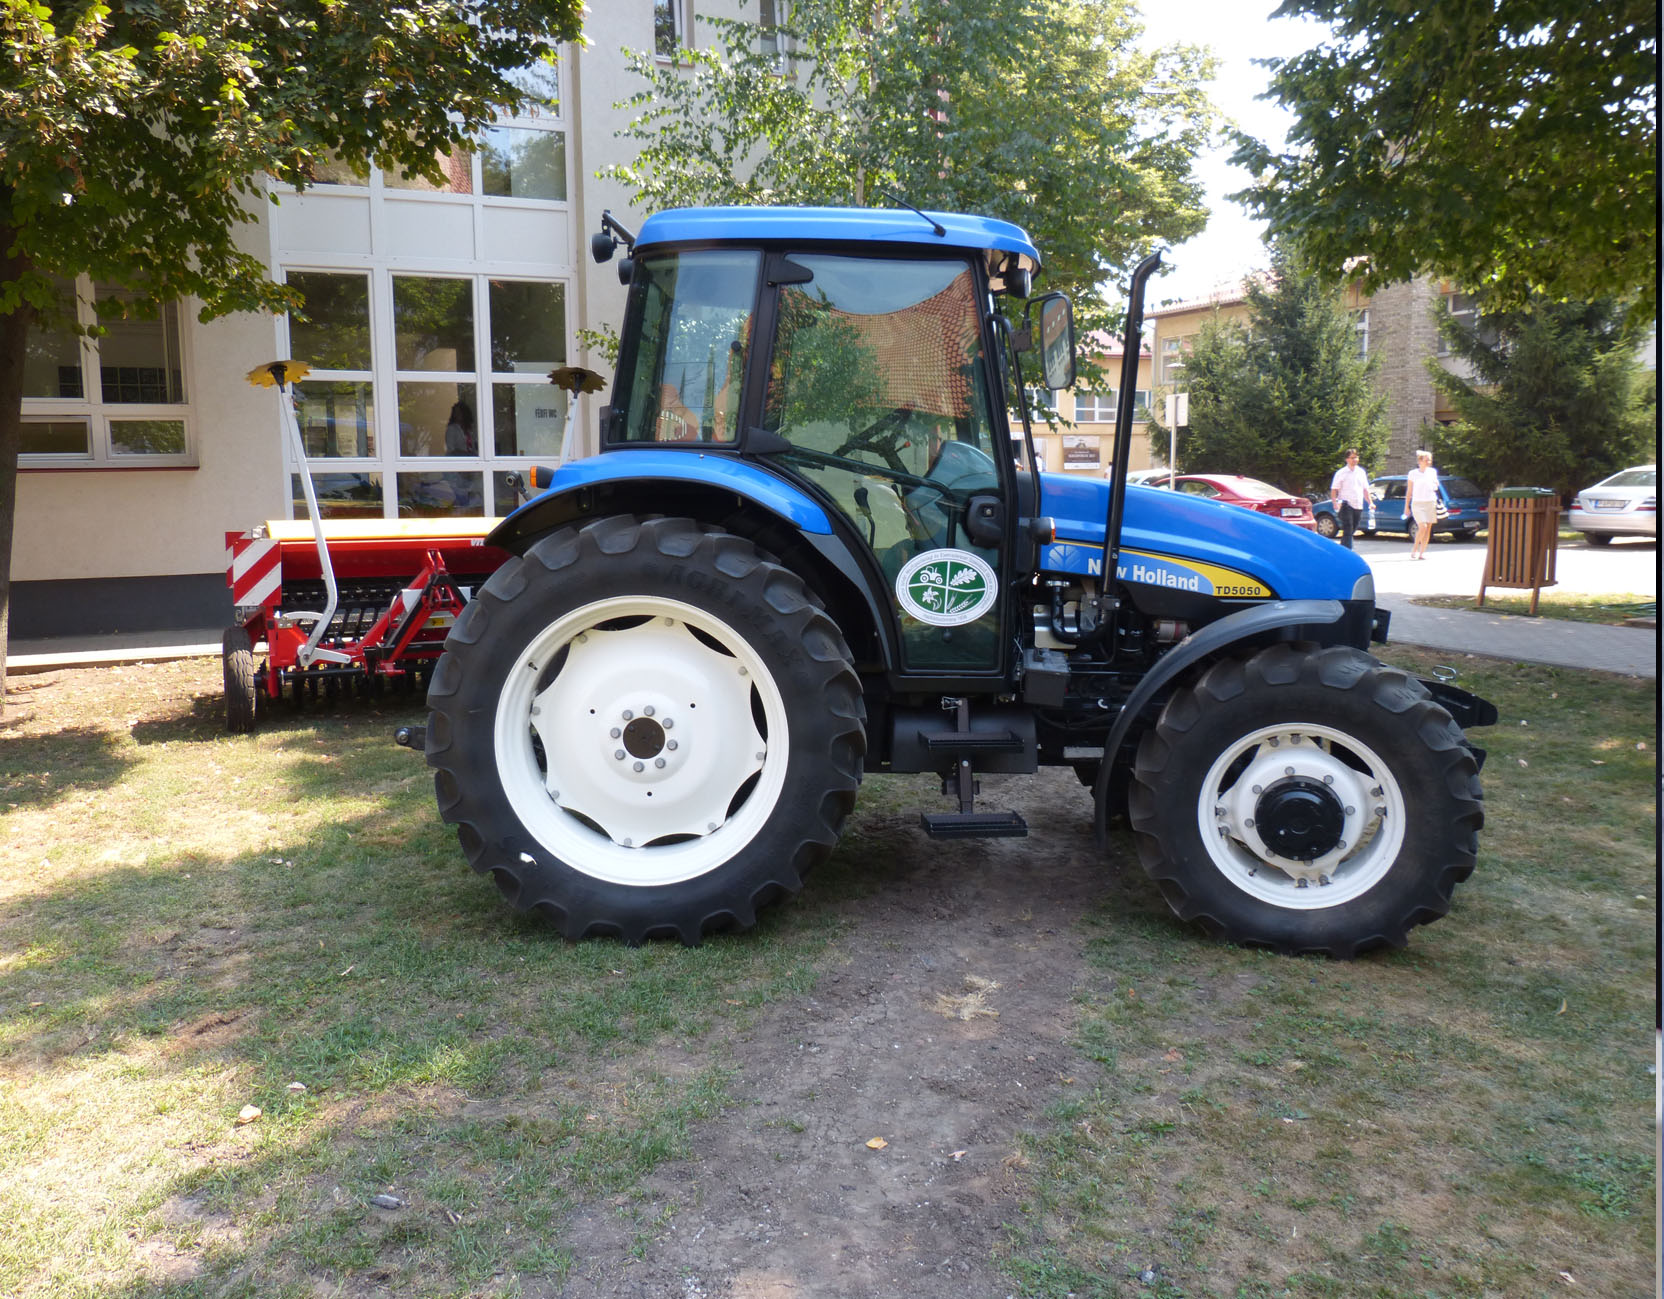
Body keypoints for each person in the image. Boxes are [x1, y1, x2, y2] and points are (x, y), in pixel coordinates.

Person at [1328, 447, 1371, 549]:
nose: (1354, 460)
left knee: (1352, 530)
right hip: (1345, 504)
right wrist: (1335, 503)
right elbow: (1334, 489)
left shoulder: (1361, 472)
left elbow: (1365, 489)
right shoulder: (1341, 473)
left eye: (1356, 457)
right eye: (1352, 458)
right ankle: (1348, 551)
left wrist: (1370, 502)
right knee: (1348, 528)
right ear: (1347, 459)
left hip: (1358, 504)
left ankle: (1342, 550)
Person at [1403, 448, 1440, 559]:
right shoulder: (1413, 474)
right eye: (1426, 459)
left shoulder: (1433, 472)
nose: (1429, 461)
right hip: (1418, 503)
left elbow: (1435, 486)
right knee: (1422, 526)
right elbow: (1409, 490)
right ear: (1420, 461)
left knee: (1428, 527)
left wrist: (1436, 485)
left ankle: (1422, 553)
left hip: (1430, 501)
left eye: (1430, 460)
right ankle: (1415, 548)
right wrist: (1406, 506)